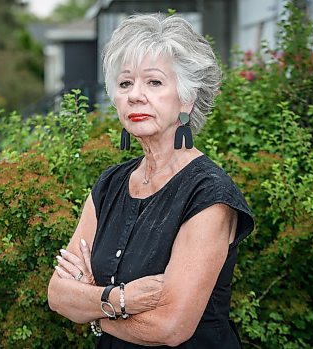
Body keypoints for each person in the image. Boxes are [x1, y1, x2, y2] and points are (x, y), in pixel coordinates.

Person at [47, 13, 255, 348]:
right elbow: (58, 294)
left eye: (154, 82)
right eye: (125, 83)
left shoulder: (209, 195)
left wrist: (90, 305)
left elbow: (169, 326)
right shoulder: (109, 185)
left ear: (186, 98)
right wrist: (120, 299)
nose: (135, 96)